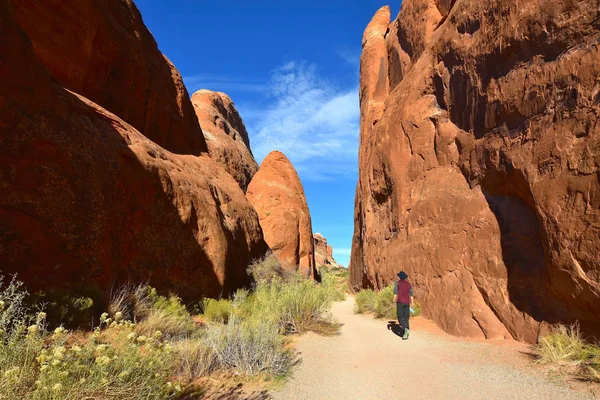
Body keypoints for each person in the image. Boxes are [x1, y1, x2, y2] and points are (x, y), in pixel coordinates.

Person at [393, 271, 414, 340]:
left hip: (400, 302)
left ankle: (405, 329)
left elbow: (395, 293)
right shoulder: (408, 284)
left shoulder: (397, 283)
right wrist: (412, 304)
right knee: (406, 318)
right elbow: (411, 295)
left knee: (400, 317)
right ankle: (406, 335)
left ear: (399, 277)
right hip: (407, 303)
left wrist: (394, 301)